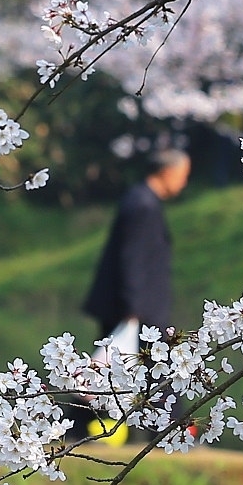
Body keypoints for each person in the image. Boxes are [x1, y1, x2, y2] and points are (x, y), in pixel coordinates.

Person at [80, 150, 190, 447]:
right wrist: (132, 308)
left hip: (135, 305)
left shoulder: (141, 200)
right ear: (167, 172)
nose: (184, 182)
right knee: (153, 369)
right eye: (183, 175)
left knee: (116, 372)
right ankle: (170, 435)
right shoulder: (143, 205)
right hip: (136, 309)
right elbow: (132, 259)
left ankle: (88, 430)